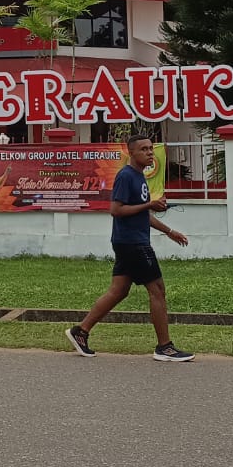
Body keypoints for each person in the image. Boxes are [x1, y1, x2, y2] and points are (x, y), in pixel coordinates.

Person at [65, 136, 194, 362]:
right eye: (143, 149)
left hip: (129, 241)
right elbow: (116, 209)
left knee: (119, 290)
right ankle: (164, 347)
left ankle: (80, 332)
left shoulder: (139, 176)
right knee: (157, 289)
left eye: (151, 149)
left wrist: (169, 231)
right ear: (131, 153)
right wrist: (149, 204)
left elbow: (143, 213)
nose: (149, 153)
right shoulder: (126, 175)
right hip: (133, 242)